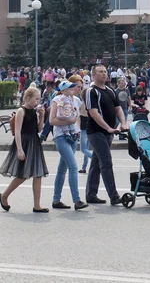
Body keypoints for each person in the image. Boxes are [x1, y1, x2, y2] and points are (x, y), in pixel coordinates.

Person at [0, 87, 49, 213]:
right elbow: (17, 131)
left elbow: (39, 129)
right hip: (24, 143)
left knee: (38, 174)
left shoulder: (34, 111)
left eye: (39, 99)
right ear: (28, 98)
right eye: (36, 98)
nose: (38, 101)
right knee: (22, 175)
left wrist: (42, 116)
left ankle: (37, 205)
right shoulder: (22, 110)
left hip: (34, 142)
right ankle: (4, 195)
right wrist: (19, 149)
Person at [85, 65, 127, 206]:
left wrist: (123, 123)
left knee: (96, 163)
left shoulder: (110, 90)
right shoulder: (91, 91)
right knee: (106, 162)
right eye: (100, 72)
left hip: (109, 132)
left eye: (105, 72)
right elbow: (93, 113)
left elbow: (118, 108)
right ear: (93, 75)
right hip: (96, 132)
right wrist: (108, 128)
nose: (104, 74)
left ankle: (91, 194)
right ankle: (114, 196)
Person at [49, 81, 89, 211]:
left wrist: (77, 128)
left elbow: (79, 116)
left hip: (73, 135)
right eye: (74, 87)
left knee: (62, 169)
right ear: (65, 89)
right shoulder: (57, 99)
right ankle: (76, 200)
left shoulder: (76, 100)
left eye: (77, 87)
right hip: (61, 136)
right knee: (73, 166)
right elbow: (51, 120)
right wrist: (69, 120)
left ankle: (56, 200)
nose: (76, 89)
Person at [78, 87, 92, 174]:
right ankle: (84, 167)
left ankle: (96, 159)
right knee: (86, 148)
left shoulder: (82, 104)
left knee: (83, 149)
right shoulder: (90, 103)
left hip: (84, 128)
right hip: (89, 128)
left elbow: (79, 116)